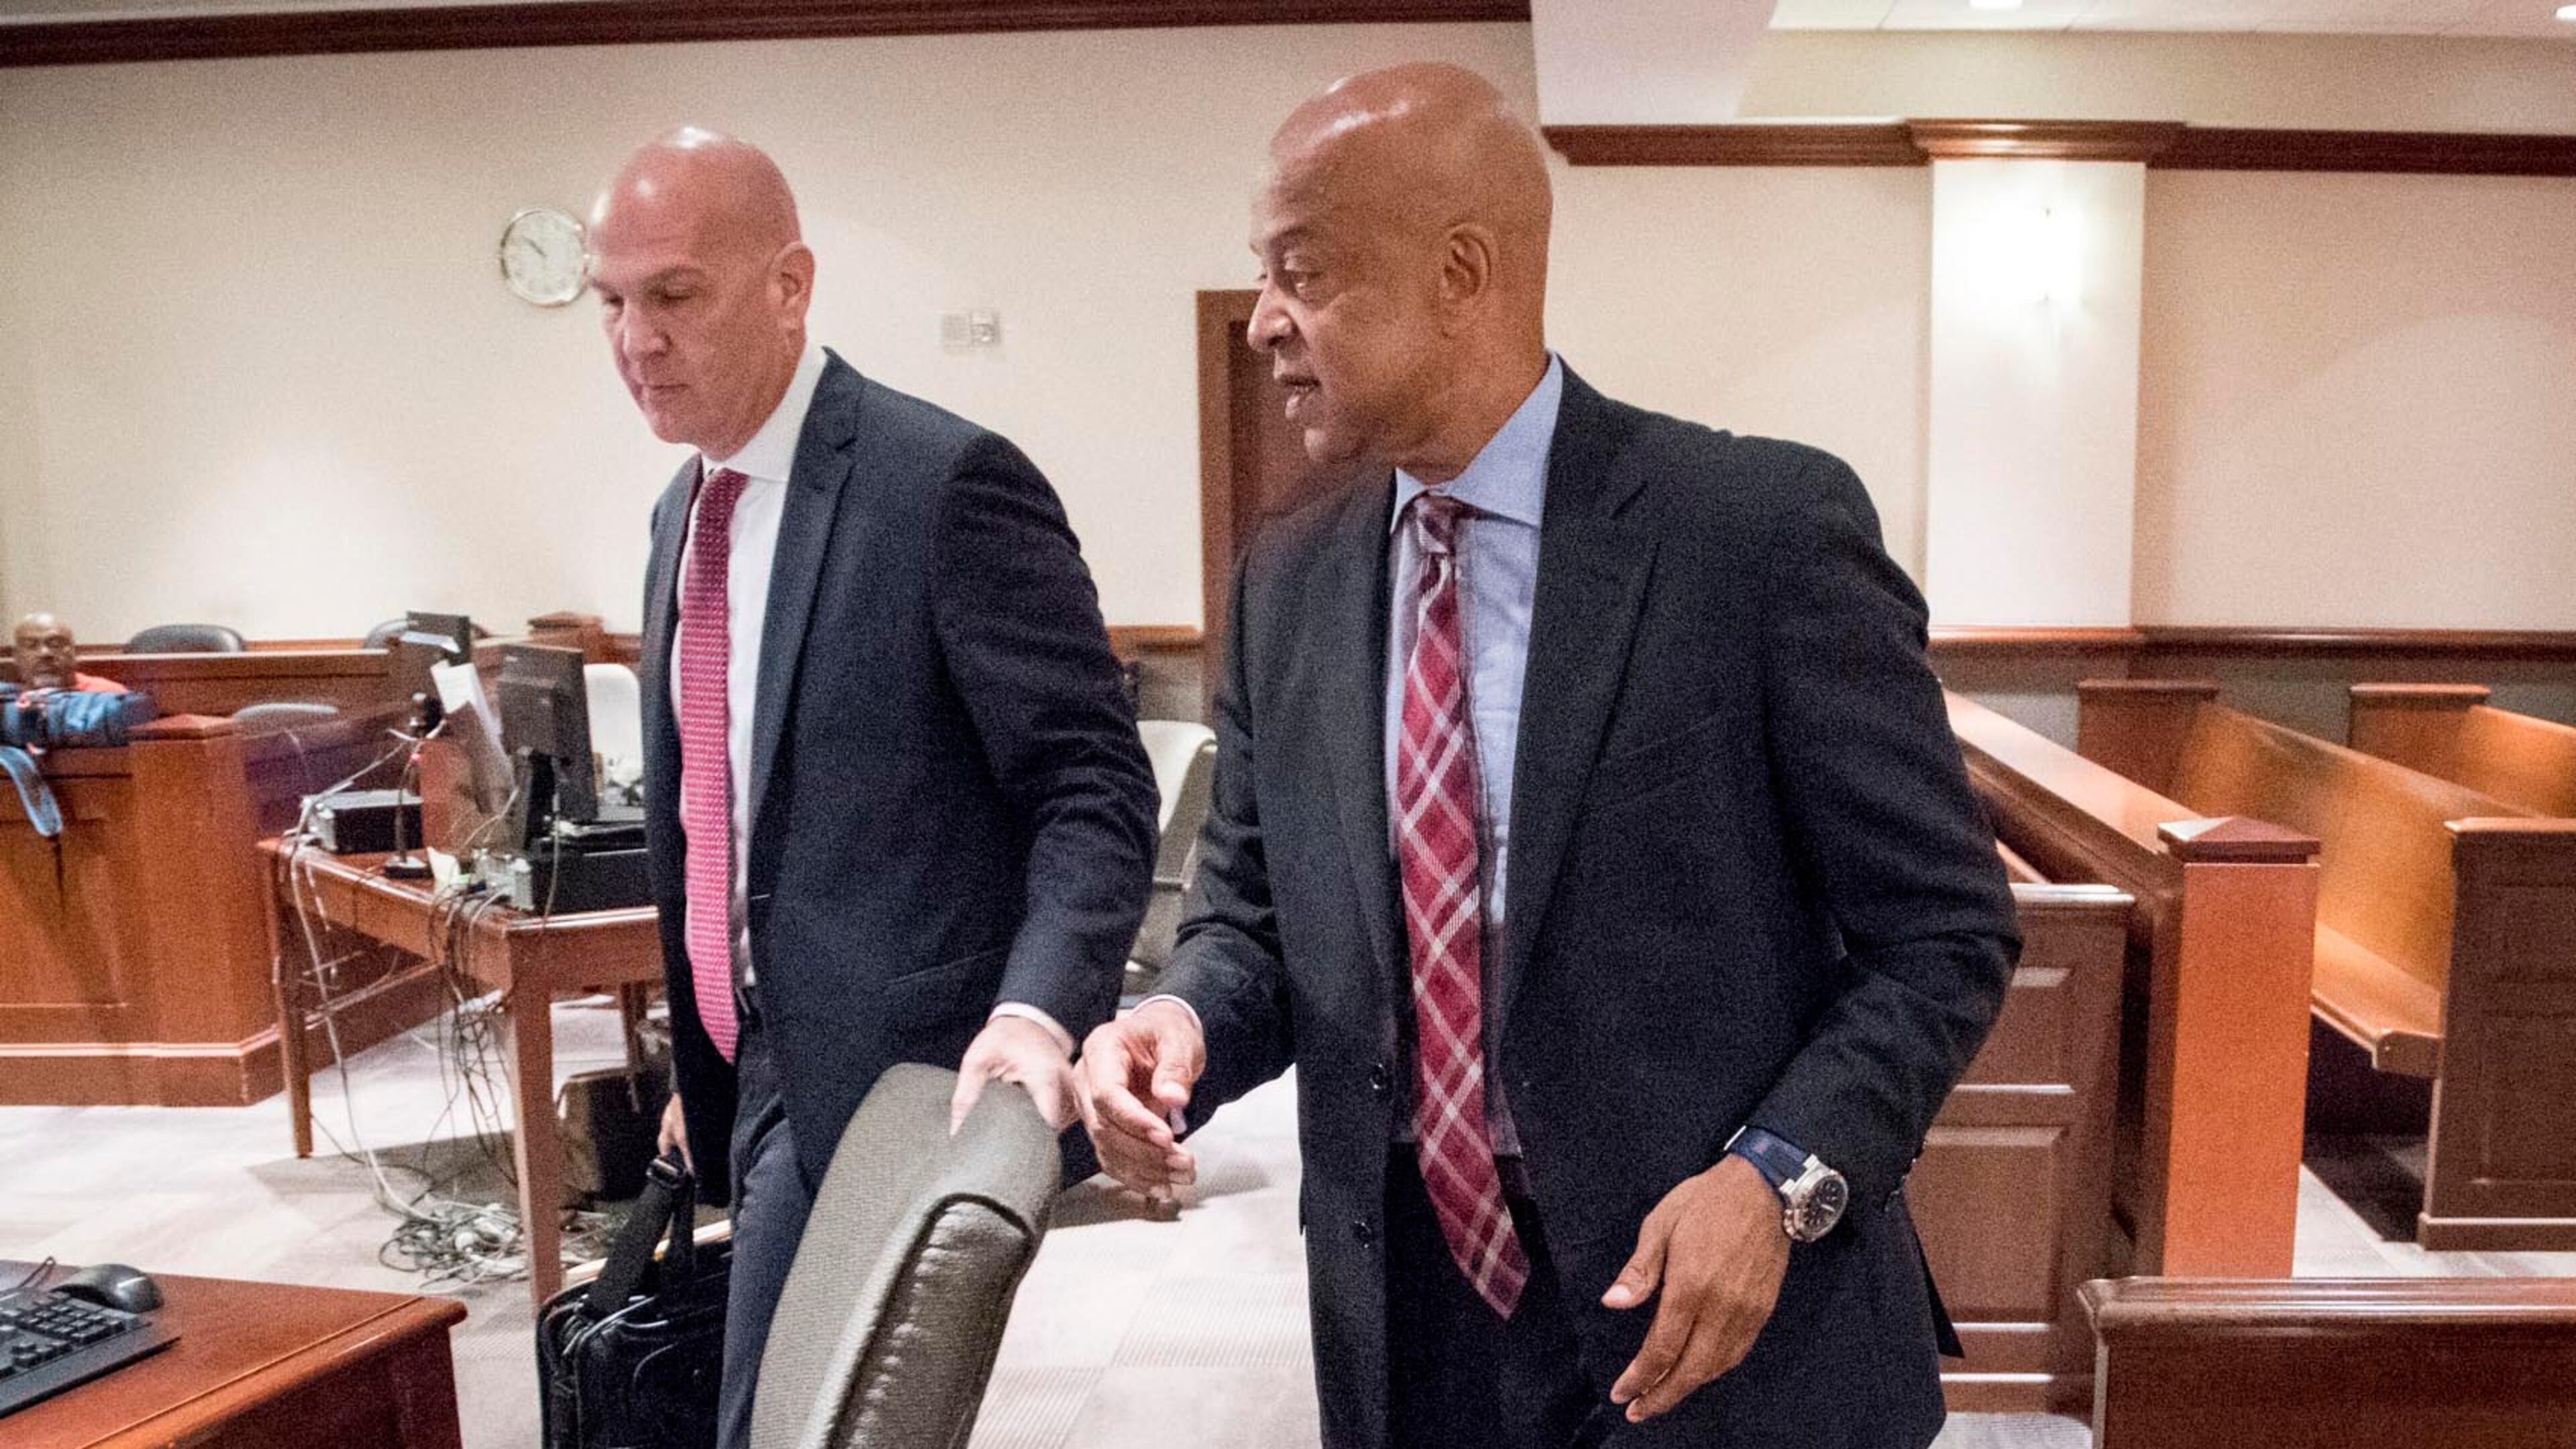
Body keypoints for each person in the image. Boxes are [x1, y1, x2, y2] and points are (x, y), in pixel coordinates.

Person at [1077, 64, 2020, 1449]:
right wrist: (1183, 1024)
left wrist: (1778, 1178)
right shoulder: (1290, 576)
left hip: (1717, 1321)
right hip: (1410, 1321)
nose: (1268, 321)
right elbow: (1257, 919)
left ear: (1462, 271)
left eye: (1305, 272)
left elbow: (1942, 932)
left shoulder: (1754, 534)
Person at [592, 128, 1158, 1449]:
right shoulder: (688, 514)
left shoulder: (945, 484)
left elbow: (1092, 788)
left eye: (674, 295)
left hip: (895, 1087)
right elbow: (725, 825)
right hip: (756, 1072)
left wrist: (1035, 1011)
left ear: (791, 284)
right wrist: (709, 1054)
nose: (635, 339)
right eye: (611, 303)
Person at [11, 613, 129, 698]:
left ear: (74, 652)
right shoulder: (6, 702)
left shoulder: (110, 695)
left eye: (55, 644)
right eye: (31, 646)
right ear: (16, 656)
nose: (44, 653)